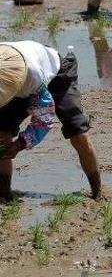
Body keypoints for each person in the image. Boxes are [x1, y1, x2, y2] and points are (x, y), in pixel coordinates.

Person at [0, 41, 102, 200]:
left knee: (78, 133)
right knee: (2, 135)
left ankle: (97, 194)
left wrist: (20, 144)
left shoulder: (32, 76)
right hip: (10, 82)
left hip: (56, 74)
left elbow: (44, 119)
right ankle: (4, 195)